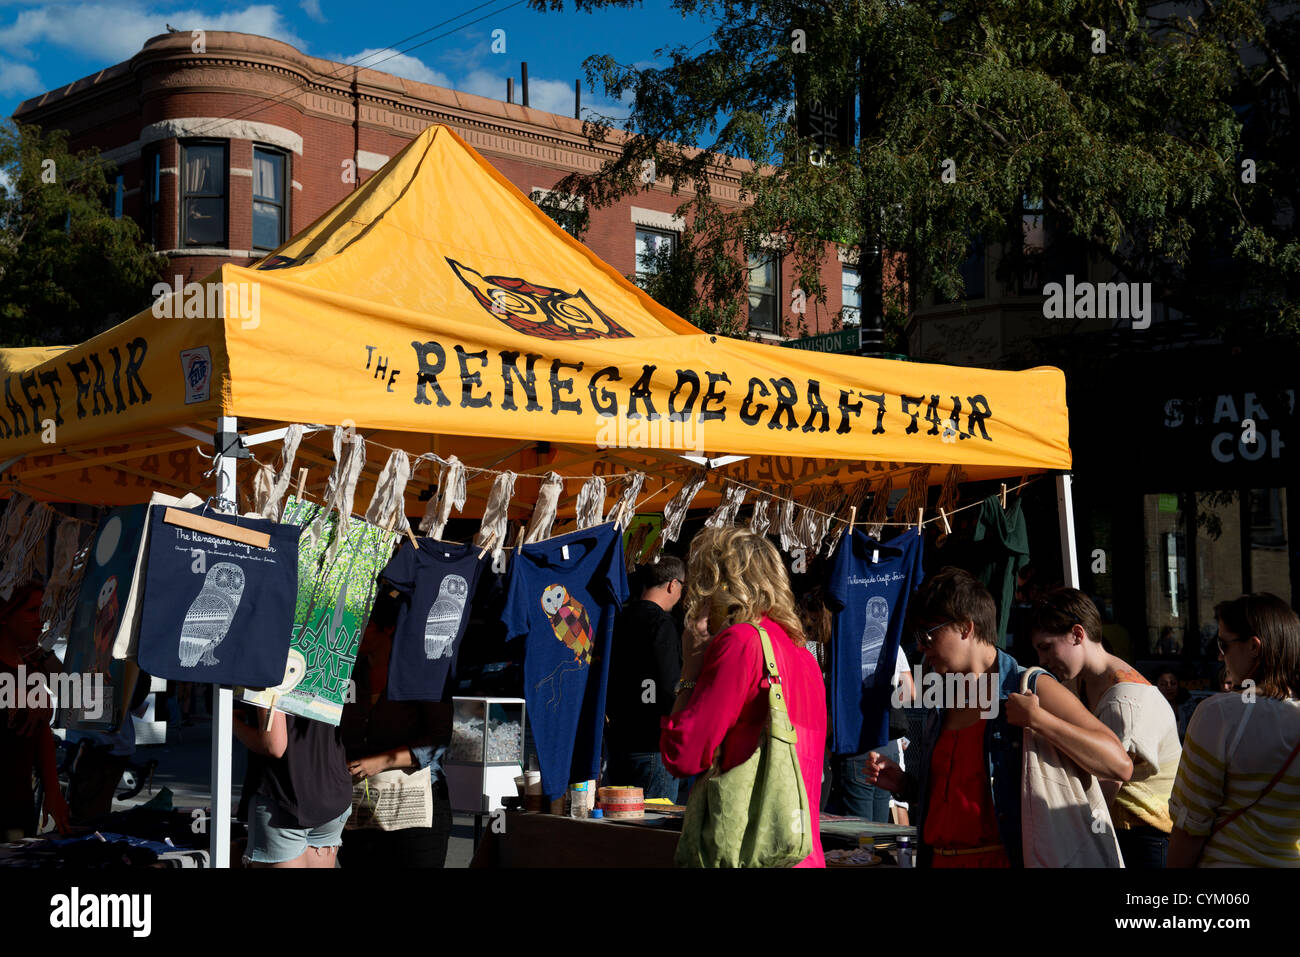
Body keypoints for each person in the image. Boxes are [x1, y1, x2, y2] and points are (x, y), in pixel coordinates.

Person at [866, 567, 1133, 868]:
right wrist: (906, 785)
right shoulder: (943, 696)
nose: (920, 647)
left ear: (965, 628)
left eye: (928, 635)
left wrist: (1040, 720)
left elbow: (1118, 764)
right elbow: (964, 798)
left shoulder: (1028, 687)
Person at [660, 526, 827, 867]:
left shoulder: (740, 642)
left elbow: (683, 756)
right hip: (799, 852)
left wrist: (690, 672)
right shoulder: (802, 654)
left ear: (718, 586)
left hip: (747, 852)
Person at [1029, 588, 1182, 868]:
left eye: (1046, 646)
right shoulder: (1080, 683)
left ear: (1077, 634)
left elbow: (1103, 789)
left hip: (1143, 837)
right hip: (1123, 830)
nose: (1042, 661)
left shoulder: (1124, 701)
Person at [1168, 593, 1300, 867]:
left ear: (1254, 646)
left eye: (1223, 644)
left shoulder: (1219, 714)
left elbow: (1191, 822)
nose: (1219, 655)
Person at [340, 584, 453, 868]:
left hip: (416, 810)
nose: (353, 630)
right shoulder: (349, 673)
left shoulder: (424, 673)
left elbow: (438, 739)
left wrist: (379, 762)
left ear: (389, 629)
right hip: (360, 808)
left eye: (362, 623)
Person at [233, 699, 351, 868]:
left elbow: (273, 745)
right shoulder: (333, 669)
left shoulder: (269, 672)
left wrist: (231, 720)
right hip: (333, 788)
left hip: (285, 797)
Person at [604, 555, 685, 801]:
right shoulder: (662, 624)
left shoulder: (617, 618)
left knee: (621, 825)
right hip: (652, 744)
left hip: (617, 742)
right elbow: (669, 685)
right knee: (652, 830)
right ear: (673, 584)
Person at [0, 583, 69, 840]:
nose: (40, 621)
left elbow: (42, 735)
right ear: (6, 615)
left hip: (19, 807)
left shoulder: (30, 670)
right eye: (31, 611)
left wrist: (52, 790)